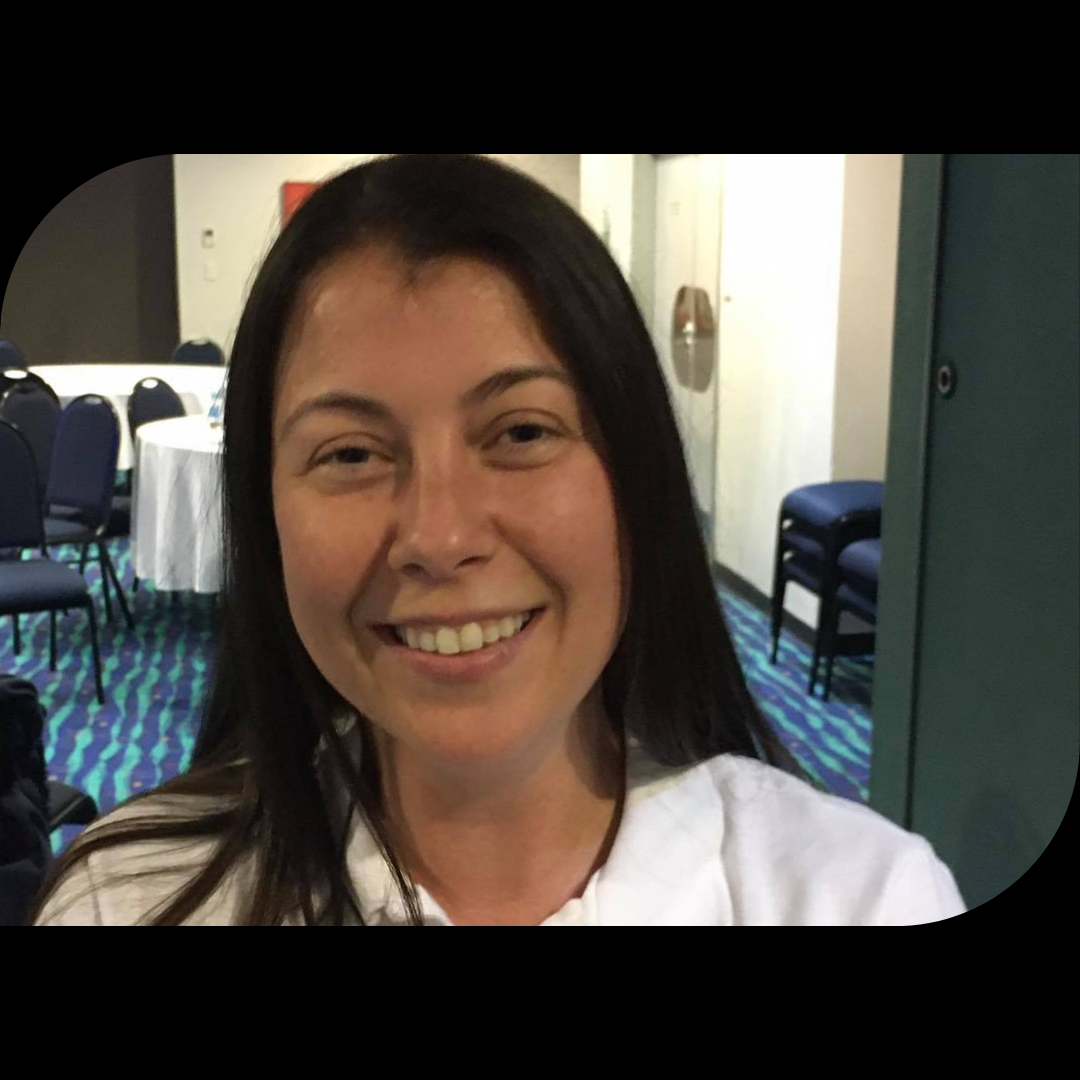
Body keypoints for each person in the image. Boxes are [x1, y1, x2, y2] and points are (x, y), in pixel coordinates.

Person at [31, 154, 967, 925]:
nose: (438, 537)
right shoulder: (128, 903)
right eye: (350, 453)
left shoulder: (862, 897)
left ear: (636, 477)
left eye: (522, 432)